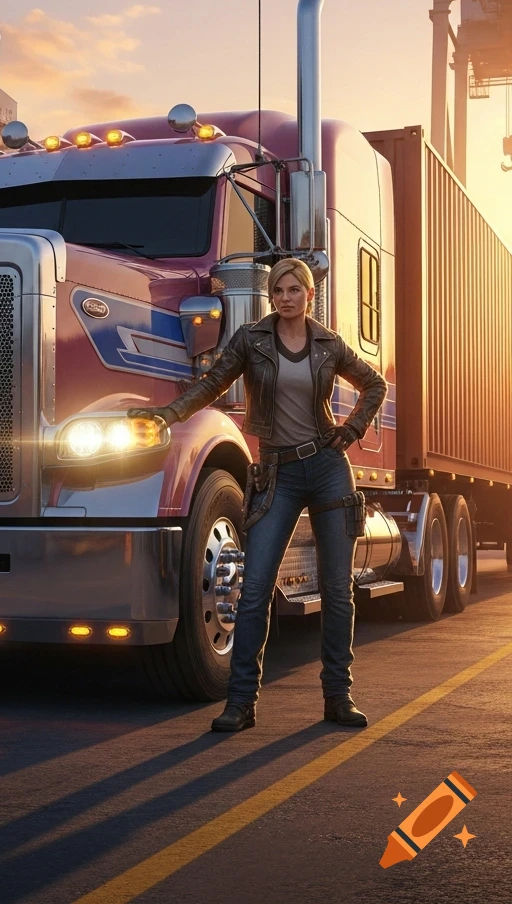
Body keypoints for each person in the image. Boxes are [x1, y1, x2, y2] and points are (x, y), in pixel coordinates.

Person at [129, 257, 387, 732]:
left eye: (294, 290)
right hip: (277, 472)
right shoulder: (251, 339)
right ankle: (241, 703)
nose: (286, 297)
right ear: (271, 296)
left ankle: (338, 696)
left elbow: (375, 383)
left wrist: (351, 430)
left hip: (329, 469)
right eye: (278, 290)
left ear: (310, 295)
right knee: (254, 591)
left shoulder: (329, 344)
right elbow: (213, 382)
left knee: (337, 591)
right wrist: (170, 413)